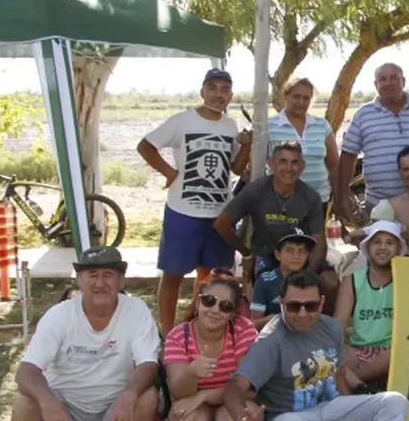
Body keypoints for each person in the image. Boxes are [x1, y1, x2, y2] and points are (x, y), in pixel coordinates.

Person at [222, 270, 409, 421]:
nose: (302, 313)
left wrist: (354, 402)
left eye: (310, 306)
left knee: (396, 402)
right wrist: (241, 413)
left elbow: (339, 374)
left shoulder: (331, 327)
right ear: (281, 303)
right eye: (293, 306)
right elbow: (234, 387)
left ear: (322, 303)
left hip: (331, 408)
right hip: (293, 420)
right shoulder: (270, 341)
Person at [2, 247, 161, 421]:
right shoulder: (60, 314)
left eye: (109, 275)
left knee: (148, 396)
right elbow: (26, 372)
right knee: (24, 401)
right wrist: (49, 402)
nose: (100, 283)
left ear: (122, 280)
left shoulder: (136, 310)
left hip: (113, 417)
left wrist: (129, 395)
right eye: (92, 274)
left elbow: (148, 364)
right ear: (79, 279)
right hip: (62, 418)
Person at [136, 68, 252, 335]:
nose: (218, 95)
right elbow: (145, 146)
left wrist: (245, 146)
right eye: (212, 88)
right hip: (182, 211)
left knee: (212, 277)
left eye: (224, 90)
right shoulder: (182, 121)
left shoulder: (230, 126)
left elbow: (235, 168)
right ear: (202, 92)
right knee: (173, 274)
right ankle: (167, 332)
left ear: (231, 96)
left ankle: (199, 326)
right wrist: (169, 172)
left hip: (219, 215)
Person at [163, 275, 262, 421]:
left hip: (233, 401)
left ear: (233, 313)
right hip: (197, 409)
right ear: (198, 302)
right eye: (209, 301)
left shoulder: (243, 330)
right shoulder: (179, 336)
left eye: (225, 305)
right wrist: (191, 372)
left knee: (237, 415)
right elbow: (179, 393)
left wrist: (204, 394)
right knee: (181, 417)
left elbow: (246, 388)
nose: (215, 309)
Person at [213, 142, 339, 312]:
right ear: (271, 164)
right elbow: (221, 224)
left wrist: (308, 273)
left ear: (302, 166)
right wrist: (247, 254)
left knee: (330, 281)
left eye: (294, 162)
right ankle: (270, 328)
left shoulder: (311, 196)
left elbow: (319, 243)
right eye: (283, 161)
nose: (289, 168)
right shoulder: (255, 191)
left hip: (299, 253)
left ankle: (321, 327)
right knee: (268, 283)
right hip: (266, 252)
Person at [337, 63, 409, 220]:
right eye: (383, 79)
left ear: (403, 81)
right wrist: (342, 193)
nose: (389, 83)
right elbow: (348, 156)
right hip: (378, 205)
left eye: (394, 78)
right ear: (376, 84)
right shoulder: (363, 114)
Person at [333, 221, 405, 390]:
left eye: (389, 243)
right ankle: (360, 387)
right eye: (377, 242)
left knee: (396, 353)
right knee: (332, 353)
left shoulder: (405, 280)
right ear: (368, 247)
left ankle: (355, 384)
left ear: (398, 249)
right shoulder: (352, 280)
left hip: (392, 350)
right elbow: (339, 325)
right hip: (359, 350)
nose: (382, 248)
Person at [268, 76, 340, 213]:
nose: (301, 102)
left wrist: (338, 197)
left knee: (316, 235)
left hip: (319, 201)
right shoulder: (269, 125)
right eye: (296, 96)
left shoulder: (322, 125)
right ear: (285, 96)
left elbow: (334, 164)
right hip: (280, 202)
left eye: (306, 98)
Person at [251, 230, 315, 330]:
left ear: (307, 255)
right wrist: (278, 318)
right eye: (289, 250)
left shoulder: (312, 282)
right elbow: (254, 324)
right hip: (273, 334)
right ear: (278, 255)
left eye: (301, 251)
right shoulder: (265, 281)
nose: (296, 256)